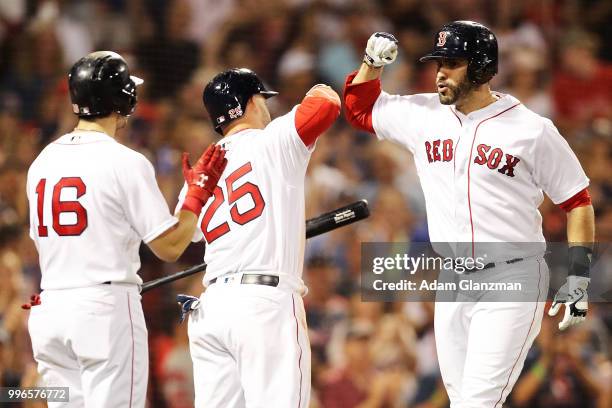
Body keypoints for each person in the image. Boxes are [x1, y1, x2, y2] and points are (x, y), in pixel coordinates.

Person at [343, 22, 595, 407]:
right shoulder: (423, 114)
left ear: (480, 67)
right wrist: (371, 64)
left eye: (452, 63)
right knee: (463, 401)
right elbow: (359, 109)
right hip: (453, 279)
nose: (440, 72)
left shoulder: (532, 130)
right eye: (438, 62)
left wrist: (579, 276)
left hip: (514, 276)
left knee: (477, 402)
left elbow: (578, 202)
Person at [25, 51, 227, 407]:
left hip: (50, 309)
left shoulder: (42, 162)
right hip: (103, 312)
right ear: (123, 99)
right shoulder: (125, 161)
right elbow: (170, 247)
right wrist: (197, 195)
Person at [176, 68, 340, 407]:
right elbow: (326, 104)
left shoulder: (203, 171)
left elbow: (181, 235)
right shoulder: (273, 140)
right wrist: (321, 84)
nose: (266, 108)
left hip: (212, 308)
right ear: (253, 101)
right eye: (263, 100)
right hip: (264, 306)